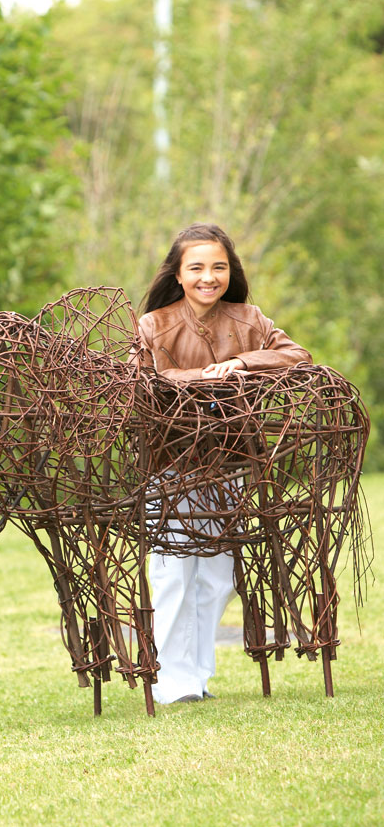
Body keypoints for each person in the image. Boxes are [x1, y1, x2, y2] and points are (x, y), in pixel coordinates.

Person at [138, 223, 310, 704]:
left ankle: (197, 675)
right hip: (172, 465)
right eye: (197, 268)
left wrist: (243, 363)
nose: (208, 277)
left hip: (230, 463)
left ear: (230, 271)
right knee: (173, 570)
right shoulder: (153, 325)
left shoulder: (250, 319)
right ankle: (172, 682)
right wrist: (205, 377)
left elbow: (296, 355)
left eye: (219, 267)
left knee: (218, 574)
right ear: (178, 272)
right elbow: (146, 382)